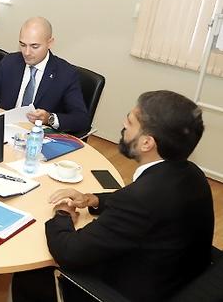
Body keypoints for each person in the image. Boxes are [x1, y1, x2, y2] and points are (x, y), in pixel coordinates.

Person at [12, 90, 214, 302]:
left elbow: (69, 253)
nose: (124, 124)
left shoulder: (140, 199)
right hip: (178, 278)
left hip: (127, 290)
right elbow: (143, 205)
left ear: (147, 143)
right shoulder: (192, 174)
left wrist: (62, 214)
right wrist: (93, 199)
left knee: (29, 276)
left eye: (130, 122)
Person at [0, 16, 89, 134]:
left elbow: (81, 119)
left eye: (34, 46)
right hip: (6, 130)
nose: (26, 52)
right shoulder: (10, 62)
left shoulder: (66, 74)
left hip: (38, 137)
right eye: (22, 45)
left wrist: (49, 118)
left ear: (50, 43)